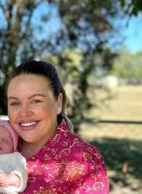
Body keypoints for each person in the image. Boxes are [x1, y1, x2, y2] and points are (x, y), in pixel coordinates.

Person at [7, 60, 109, 193]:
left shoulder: (84, 159)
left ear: (58, 102)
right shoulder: (0, 144)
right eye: (15, 103)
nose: (24, 112)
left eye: (36, 101)